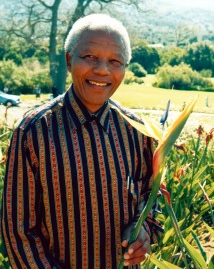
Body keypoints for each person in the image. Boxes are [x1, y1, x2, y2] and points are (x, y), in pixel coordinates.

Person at [1, 14, 163, 269]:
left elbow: (151, 200)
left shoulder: (137, 131)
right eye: (89, 57)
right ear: (68, 60)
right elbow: (19, 232)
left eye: (115, 61)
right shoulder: (33, 131)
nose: (102, 69)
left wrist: (144, 231)